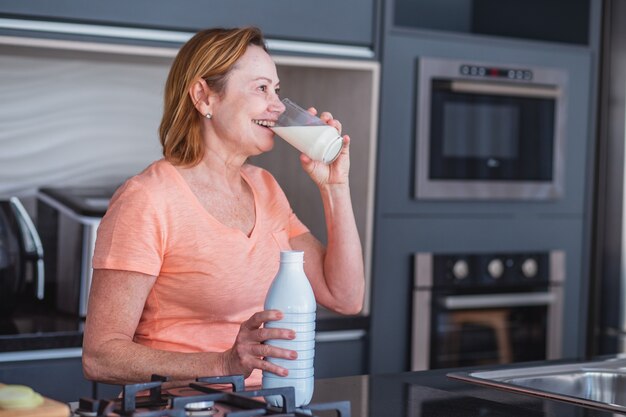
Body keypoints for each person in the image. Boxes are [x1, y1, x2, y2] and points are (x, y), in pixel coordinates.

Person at [82, 27, 364, 387]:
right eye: (262, 88)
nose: (277, 107)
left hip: (264, 406)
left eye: (276, 91)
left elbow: (344, 297)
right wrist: (223, 363)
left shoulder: (264, 188)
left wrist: (335, 187)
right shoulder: (147, 200)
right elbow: (101, 356)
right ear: (204, 97)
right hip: (180, 408)